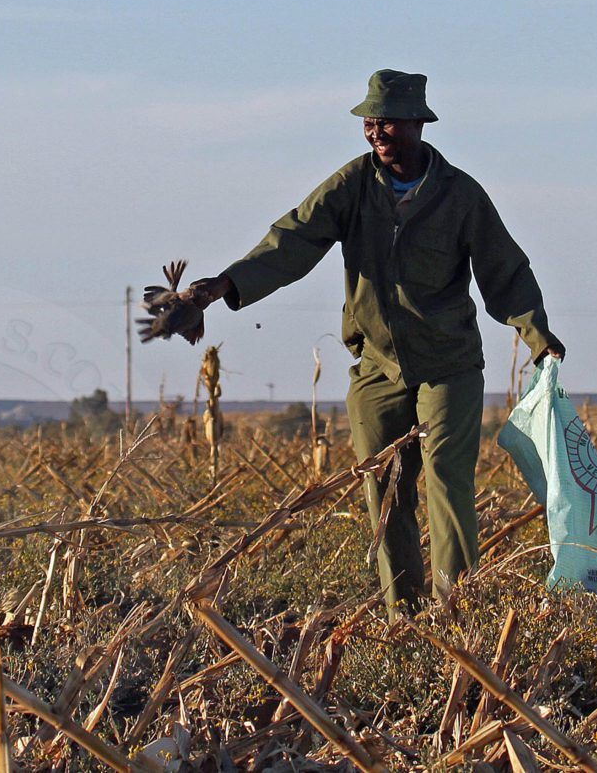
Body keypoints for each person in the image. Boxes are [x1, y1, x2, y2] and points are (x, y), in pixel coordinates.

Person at [189, 69, 564, 618]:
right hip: (377, 369)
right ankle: (405, 621)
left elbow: (505, 271)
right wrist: (225, 284)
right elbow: (293, 239)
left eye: (386, 121)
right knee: (385, 492)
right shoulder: (352, 186)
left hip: (449, 366)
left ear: (417, 124)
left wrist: (538, 337)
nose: (376, 131)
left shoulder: (460, 196)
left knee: (447, 482)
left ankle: (457, 615)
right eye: (369, 122)